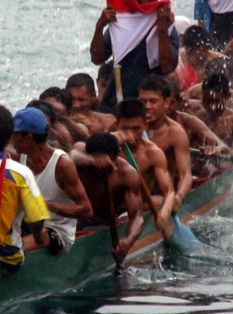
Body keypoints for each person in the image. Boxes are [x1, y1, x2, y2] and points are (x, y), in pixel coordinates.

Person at [0, 104, 49, 275]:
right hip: (7, 259)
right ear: (10, 139)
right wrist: (39, 239)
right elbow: (37, 218)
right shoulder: (21, 173)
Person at [90, 0, 180, 114]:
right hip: (116, 103)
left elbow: (167, 67)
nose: (129, 1)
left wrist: (162, 29)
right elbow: (97, 58)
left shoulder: (167, 27)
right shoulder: (124, 23)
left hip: (149, 107)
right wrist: (100, 26)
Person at [11, 108, 92, 255]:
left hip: (56, 230)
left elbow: (86, 210)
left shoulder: (62, 164)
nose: (11, 140)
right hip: (29, 224)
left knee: (15, 249)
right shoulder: (20, 157)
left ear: (28, 138)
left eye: (14, 136)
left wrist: (45, 205)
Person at [70, 132, 144, 265]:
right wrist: (92, 161)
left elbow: (137, 216)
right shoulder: (81, 151)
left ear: (116, 155)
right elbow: (71, 156)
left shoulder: (126, 174)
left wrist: (128, 241)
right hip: (73, 218)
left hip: (103, 223)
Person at [113, 98, 175, 228]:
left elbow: (169, 191)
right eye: (125, 129)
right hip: (113, 210)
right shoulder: (108, 148)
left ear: (145, 126)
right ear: (116, 126)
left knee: (157, 201)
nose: (131, 135)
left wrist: (164, 212)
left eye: (136, 128)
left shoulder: (153, 153)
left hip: (140, 208)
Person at [137, 76, 193, 214]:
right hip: (133, 198)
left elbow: (186, 175)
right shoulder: (131, 127)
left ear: (167, 102)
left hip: (161, 197)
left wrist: (178, 198)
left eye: (153, 102)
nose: (147, 107)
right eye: (143, 102)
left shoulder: (175, 133)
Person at [200, 72, 233, 152]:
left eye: (216, 101)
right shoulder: (196, 114)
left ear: (228, 96)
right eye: (206, 100)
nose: (210, 106)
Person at [175, 25, 224, 91]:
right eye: (189, 52)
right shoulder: (178, 57)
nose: (193, 58)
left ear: (208, 48)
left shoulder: (218, 61)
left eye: (196, 54)